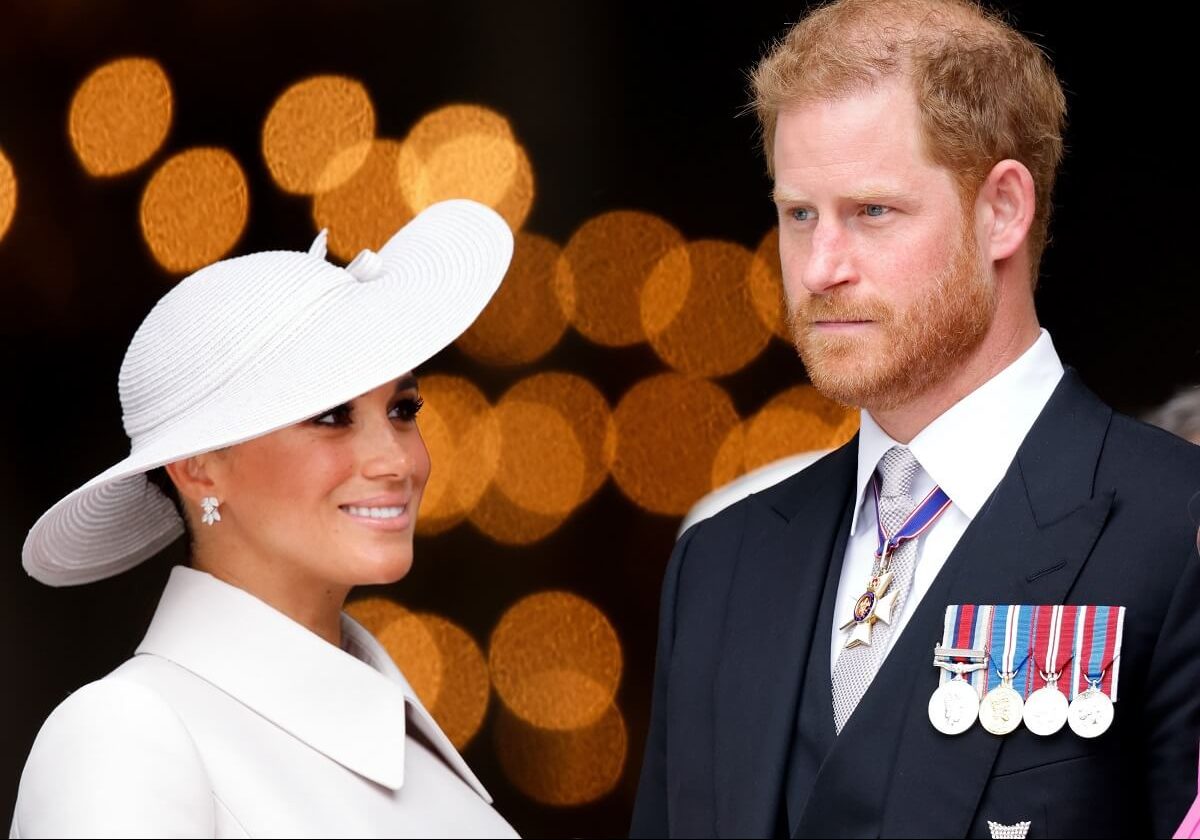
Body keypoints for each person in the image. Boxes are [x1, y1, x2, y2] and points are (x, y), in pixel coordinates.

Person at [630, 1, 1200, 837]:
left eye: (872, 212)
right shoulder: (719, 563)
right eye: (798, 214)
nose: (820, 268)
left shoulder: (1176, 526)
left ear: (1003, 209)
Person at [12, 200, 520, 838]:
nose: (397, 459)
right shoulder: (126, 734)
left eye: (402, 408)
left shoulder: (403, 743)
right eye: (332, 416)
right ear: (198, 468)